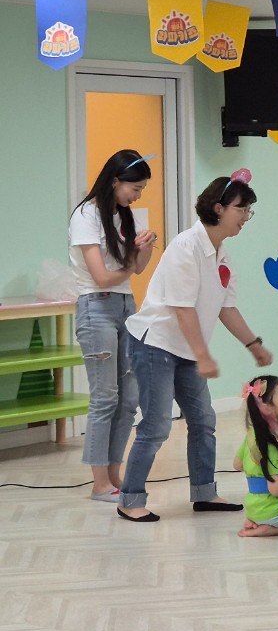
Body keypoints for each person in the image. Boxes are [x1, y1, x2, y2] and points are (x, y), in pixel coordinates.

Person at [118, 176, 272, 523]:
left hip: (186, 349)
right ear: (218, 208)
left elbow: (226, 308)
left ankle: (204, 493)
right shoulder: (186, 246)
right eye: (241, 208)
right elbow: (182, 308)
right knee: (157, 425)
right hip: (156, 343)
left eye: (249, 210)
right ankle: (130, 499)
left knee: (203, 420)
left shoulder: (223, 256)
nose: (245, 216)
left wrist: (254, 345)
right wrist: (203, 355)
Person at [69, 150, 157, 501]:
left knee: (129, 398)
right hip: (96, 308)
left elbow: (138, 268)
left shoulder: (125, 215)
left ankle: (114, 474)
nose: (137, 195)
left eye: (142, 189)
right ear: (115, 181)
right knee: (105, 396)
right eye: (135, 188)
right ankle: (99, 483)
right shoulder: (86, 215)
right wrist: (130, 265)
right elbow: (102, 277)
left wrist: (145, 247)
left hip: (125, 306)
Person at [233, 376, 278, 537]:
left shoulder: (253, 435)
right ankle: (271, 528)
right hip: (276, 510)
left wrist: (260, 470)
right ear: (266, 408)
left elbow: (238, 464)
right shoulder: (273, 445)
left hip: (255, 508)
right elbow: (277, 490)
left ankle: (262, 522)